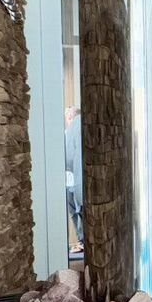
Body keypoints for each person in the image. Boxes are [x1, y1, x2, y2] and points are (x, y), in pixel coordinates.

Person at [64, 105, 84, 255]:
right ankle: (82, 240)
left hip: (73, 180)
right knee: (77, 211)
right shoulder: (71, 132)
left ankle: (82, 240)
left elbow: (69, 159)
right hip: (72, 180)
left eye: (68, 118)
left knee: (77, 211)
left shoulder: (72, 132)